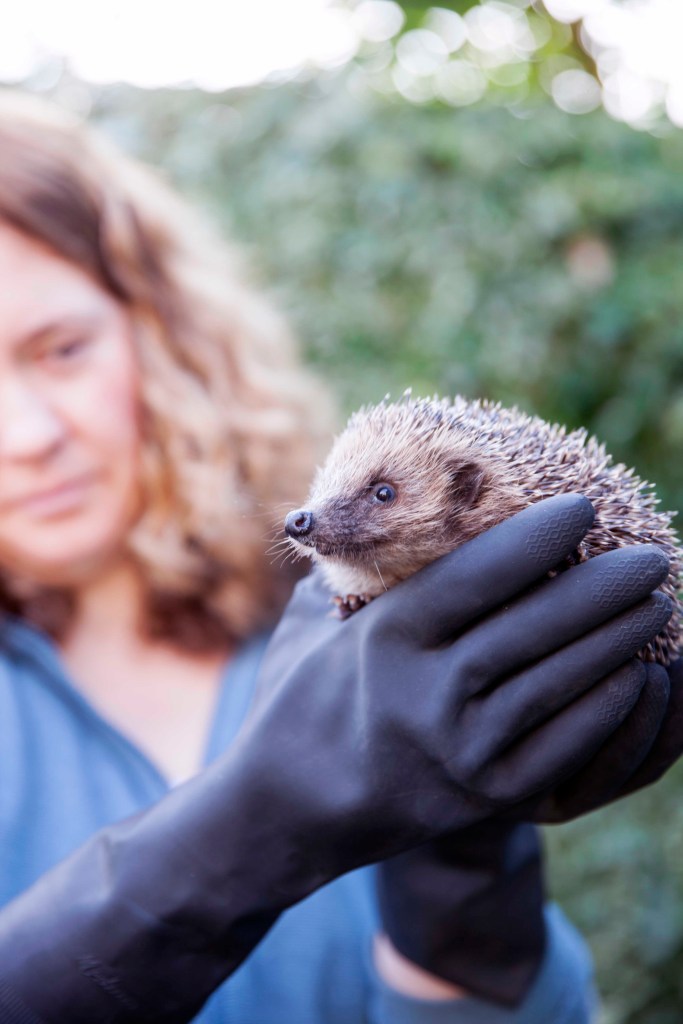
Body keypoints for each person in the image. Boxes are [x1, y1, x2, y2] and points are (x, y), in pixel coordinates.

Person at [0, 89, 680, 1024]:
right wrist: (250, 824)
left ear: (162, 336)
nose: (26, 433)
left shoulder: (360, 609)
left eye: (62, 348)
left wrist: (461, 887)